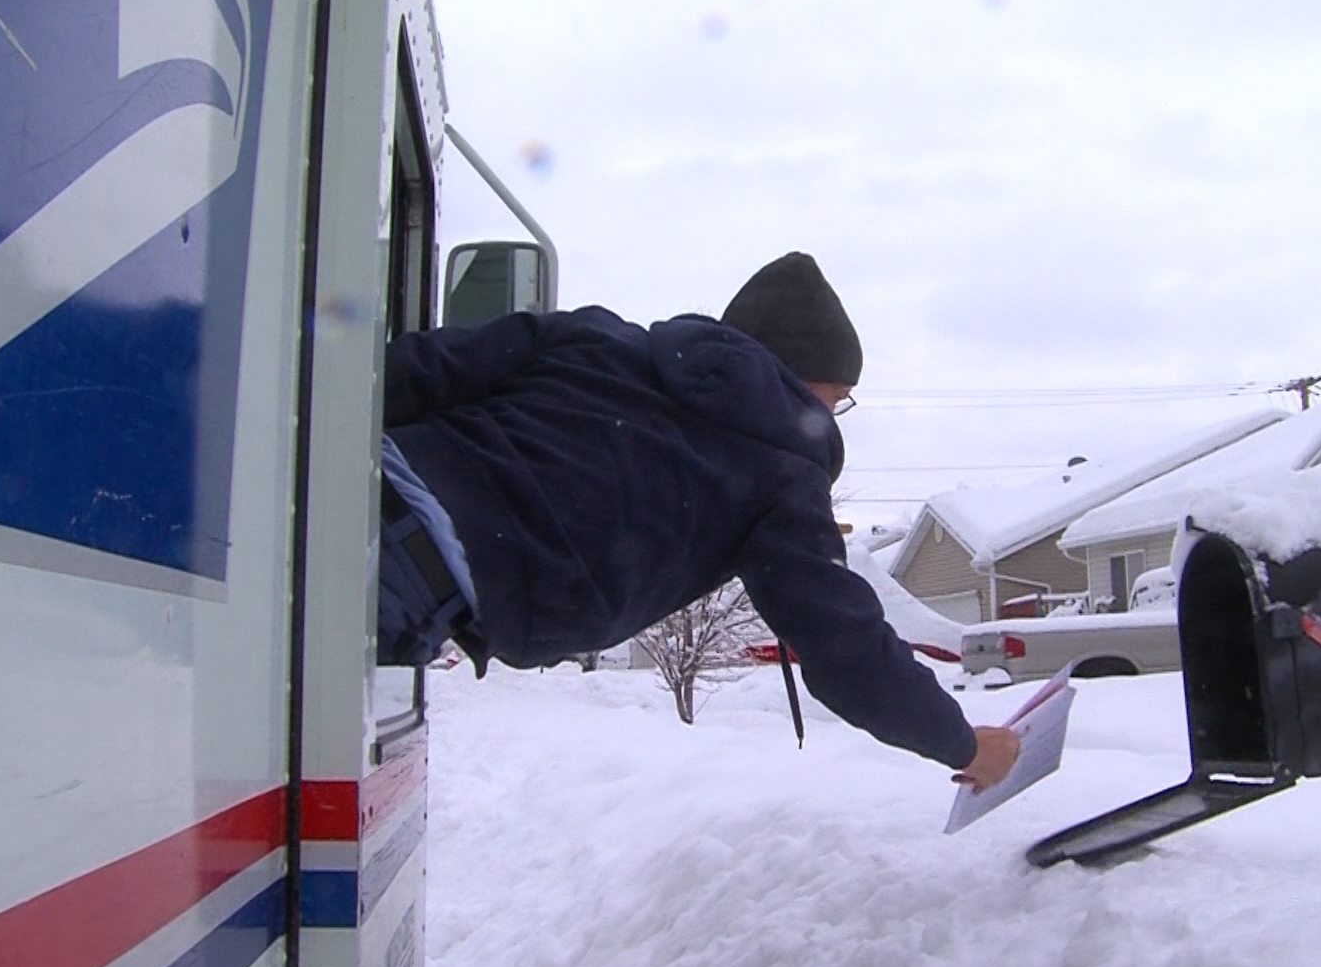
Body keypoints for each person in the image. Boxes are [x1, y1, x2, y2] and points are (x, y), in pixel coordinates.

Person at [376, 251, 1021, 791]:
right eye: (840, 396)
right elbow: (847, 648)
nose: (834, 412)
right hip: (407, 575)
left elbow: (411, 371)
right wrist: (965, 745)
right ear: (812, 381)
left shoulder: (596, 336)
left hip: (346, 484)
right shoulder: (781, 468)